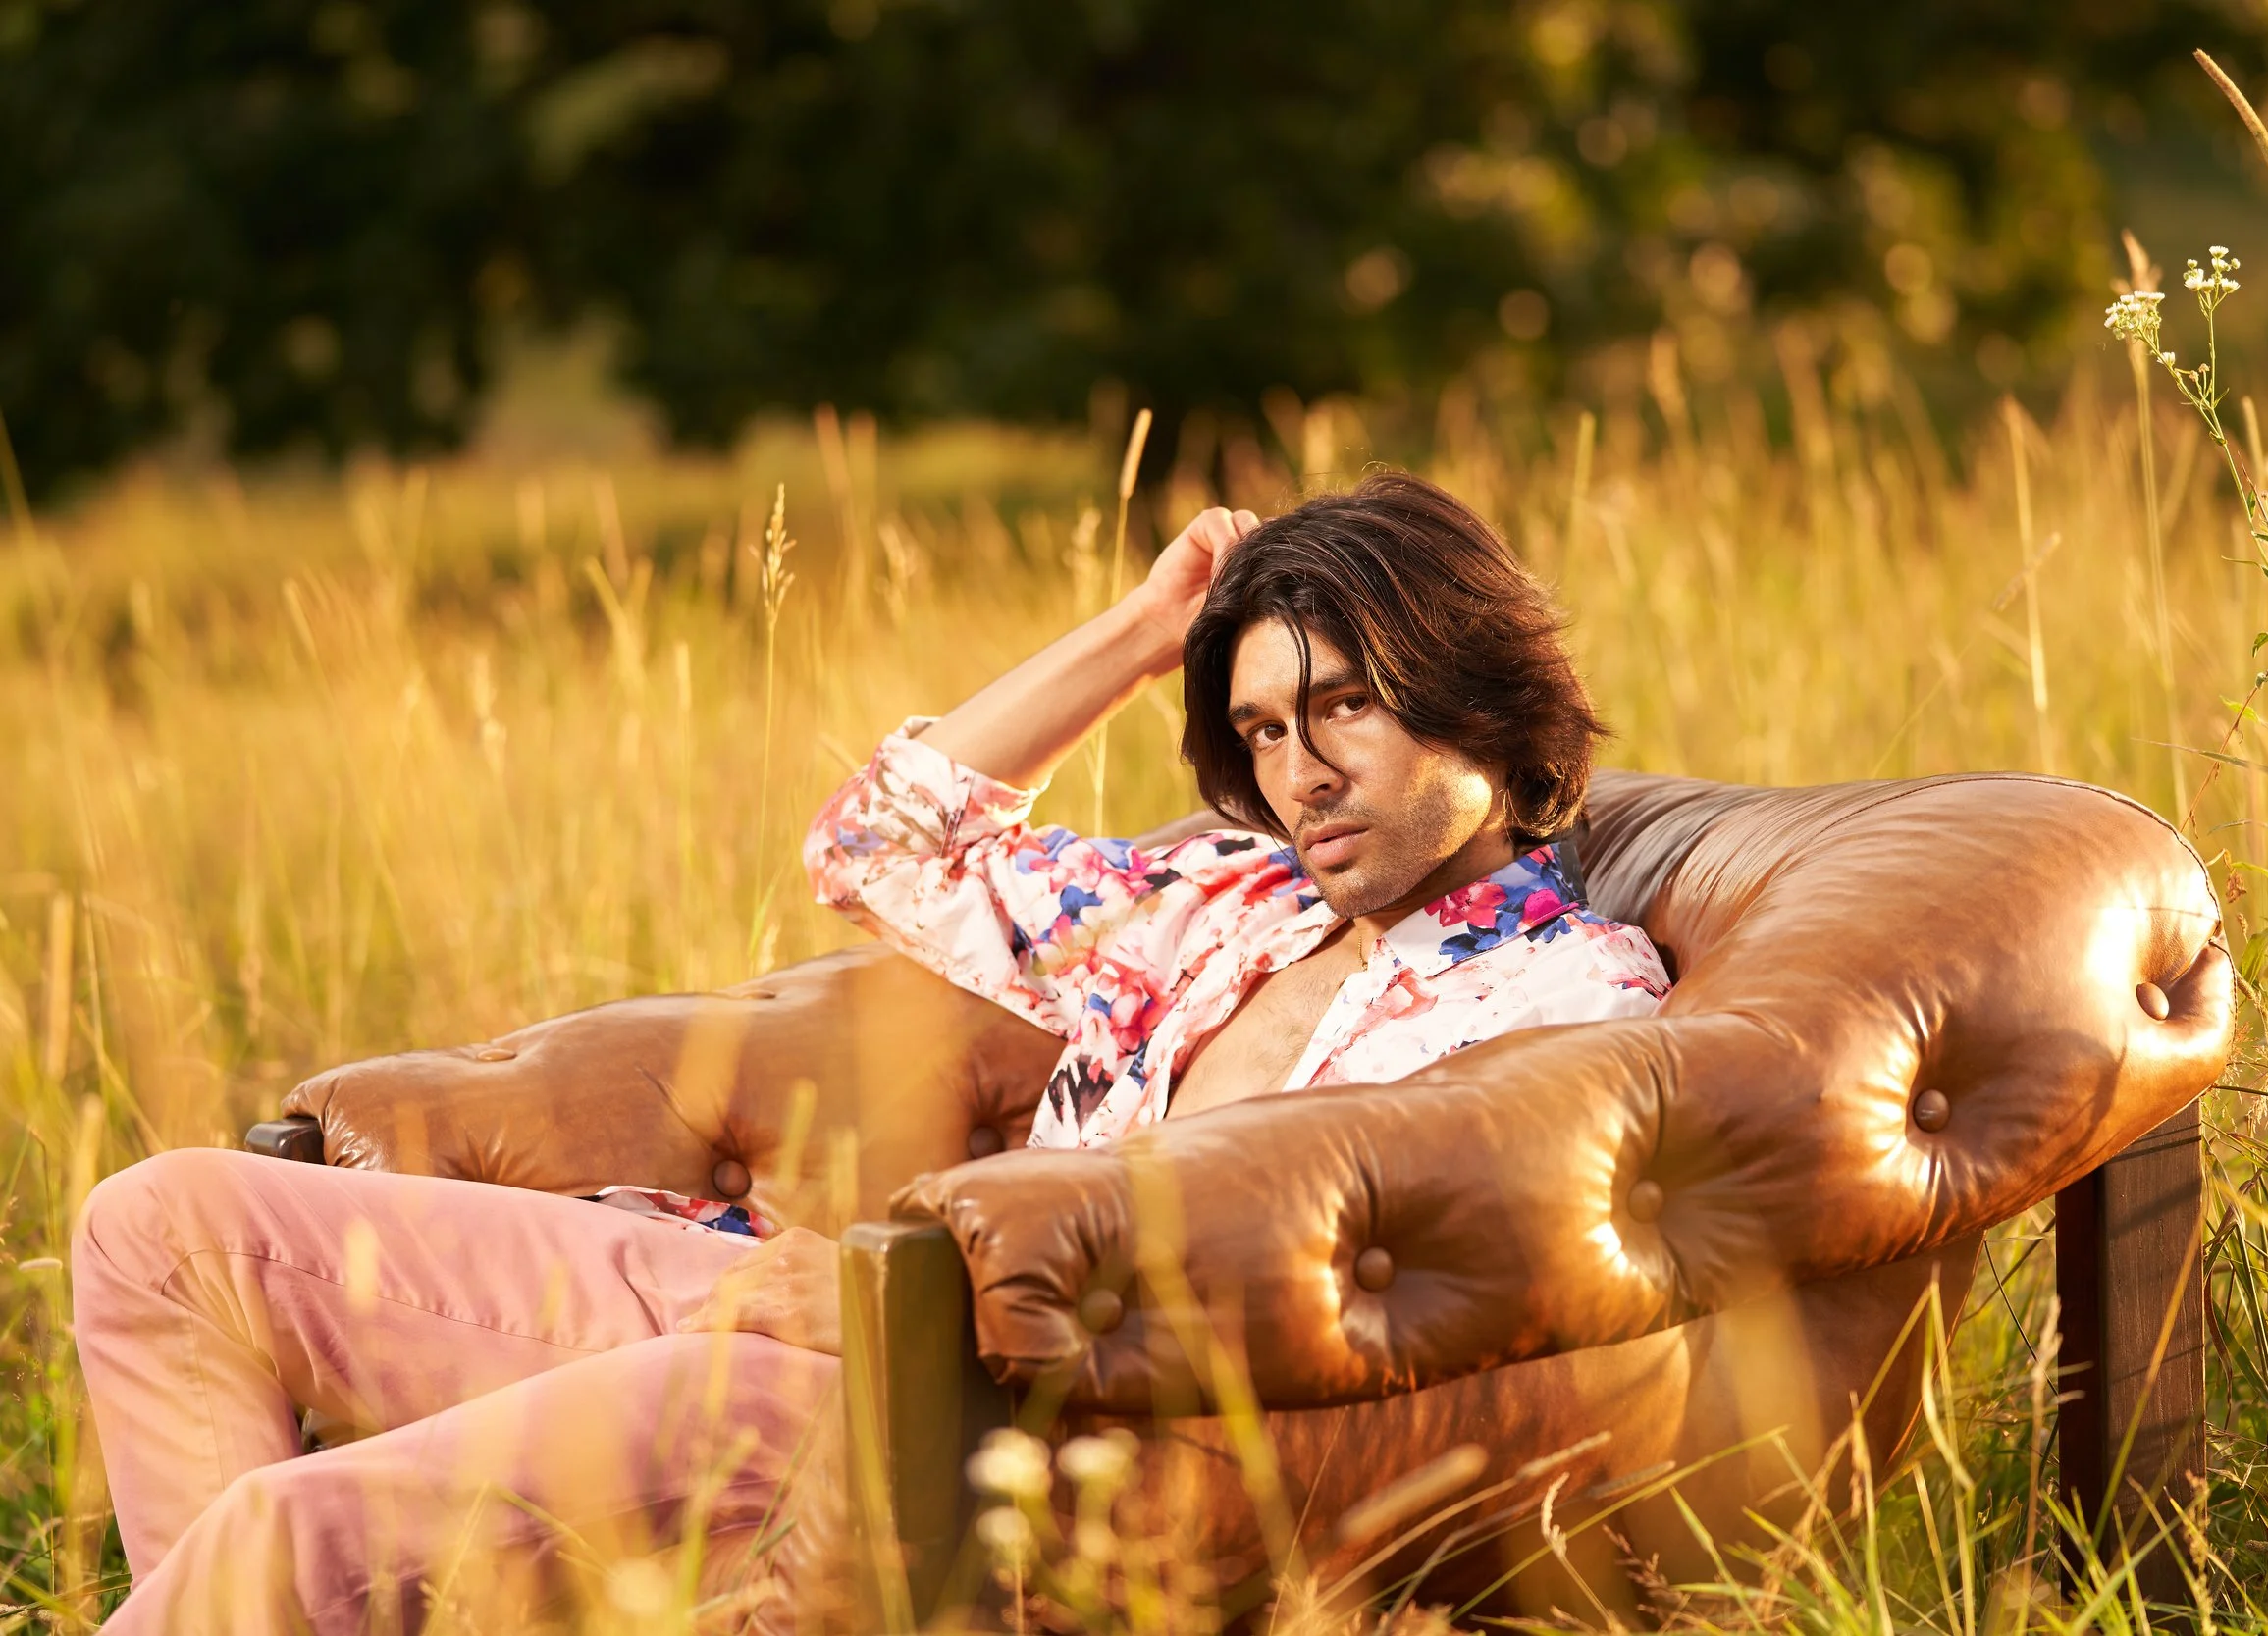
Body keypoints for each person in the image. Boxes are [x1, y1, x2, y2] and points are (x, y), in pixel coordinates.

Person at [70, 471, 1671, 1633]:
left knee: (282, 1543)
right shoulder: (1222, 892)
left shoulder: (1558, 1002)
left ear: (1470, 687)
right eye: (1259, 727)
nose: (1301, 772)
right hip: (800, 1298)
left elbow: (1309, 1305)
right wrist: (1143, 631)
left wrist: (883, 1304)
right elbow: (879, 844)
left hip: (944, 1411)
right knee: (161, 1234)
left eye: (1345, 709)